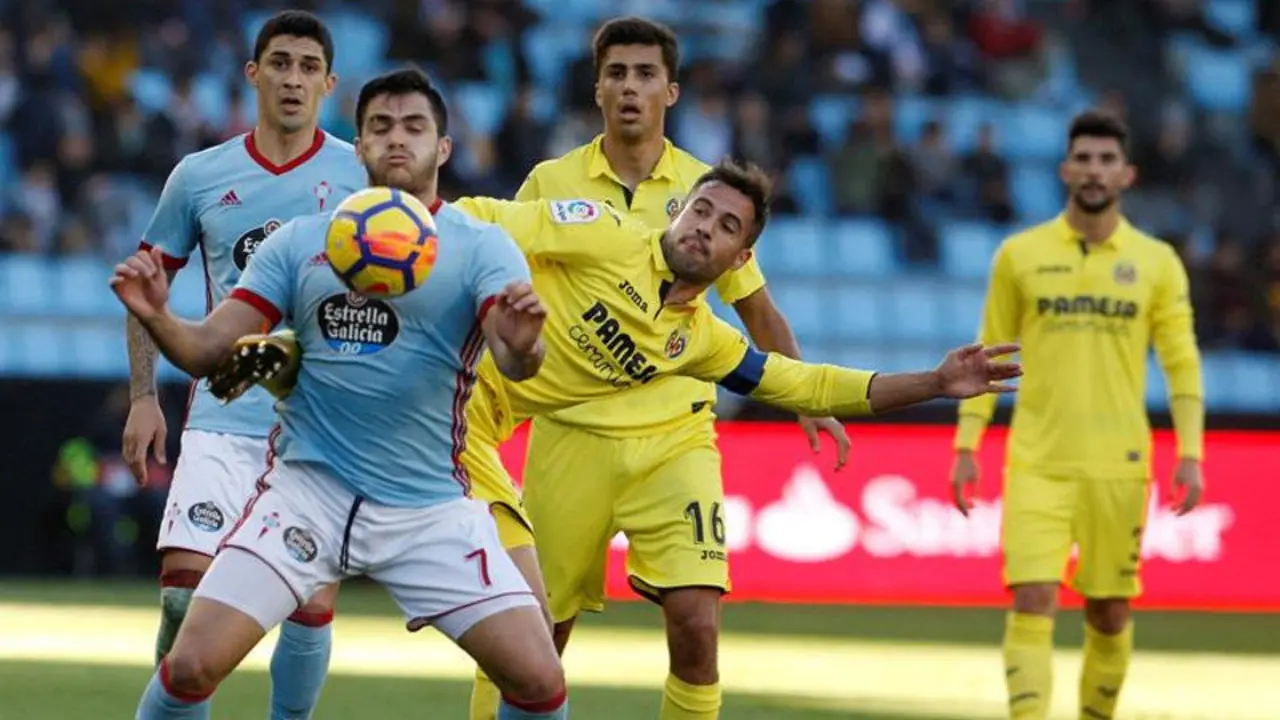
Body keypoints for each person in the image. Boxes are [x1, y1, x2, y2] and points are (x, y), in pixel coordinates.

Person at [116, 68, 571, 720]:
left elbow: (515, 357)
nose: (396, 140)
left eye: (414, 127)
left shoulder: (479, 247)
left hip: (429, 509)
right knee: (189, 664)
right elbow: (209, 349)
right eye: (380, 127)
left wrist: (526, 343)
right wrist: (160, 318)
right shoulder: (299, 242)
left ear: (444, 148)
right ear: (356, 147)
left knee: (539, 680)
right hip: (308, 496)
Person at [474, 18, 849, 719]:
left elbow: (756, 309)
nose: (629, 88)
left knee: (697, 628)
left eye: (645, 75)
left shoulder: (704, 192)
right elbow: (497, 273)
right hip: (569, 431)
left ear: (670, 91)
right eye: (616, 74)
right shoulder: (551, 181)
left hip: (675, 435)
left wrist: (805, 394)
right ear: (597, 88)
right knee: (531, 636)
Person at [120, 10, 365, 718]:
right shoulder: (199, 176)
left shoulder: (362, 178)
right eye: (280, 63)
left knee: (309, 606)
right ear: (253, 74)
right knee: (181, 600)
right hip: (222, 423)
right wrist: (144, 396)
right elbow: (145, 286)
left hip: (320, 430)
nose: (293, 79)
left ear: (328, 83)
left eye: (307, 67)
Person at [949, 110, 1205, 720]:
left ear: (1127, 174)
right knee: (1032, 598)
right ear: (1066, 169)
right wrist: (967, 443)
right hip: (1038, 459)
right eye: (1083, 159)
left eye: (1106, 160)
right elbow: (987, 357)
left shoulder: (1157, 262)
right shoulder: (1020, 255)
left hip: (1119, 465)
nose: (1094, 170)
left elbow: (1182, 364)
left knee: (1109, 611)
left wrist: (1191, 454)